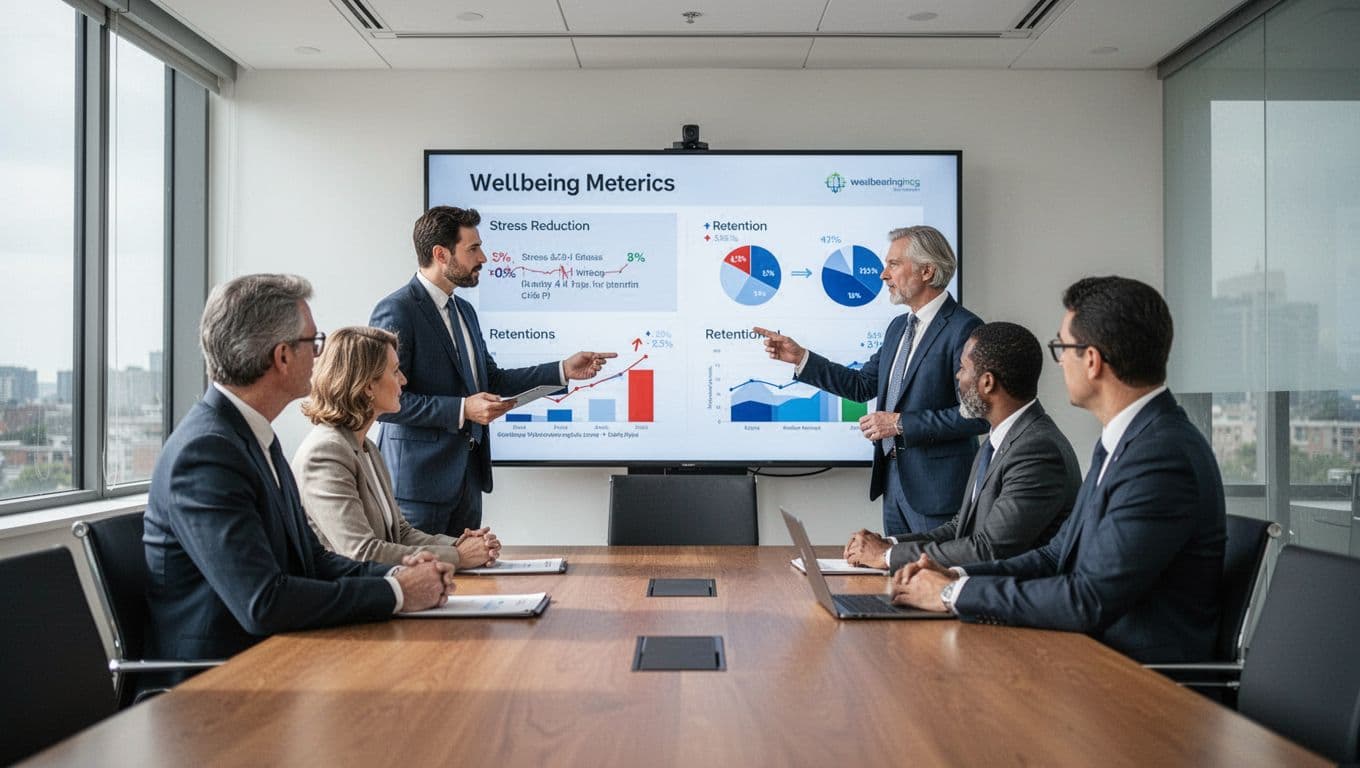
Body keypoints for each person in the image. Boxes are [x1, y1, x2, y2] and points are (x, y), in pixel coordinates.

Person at [891, 276, 1227, 664]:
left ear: (1092, 360)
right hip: (1090, 654)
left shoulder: (1161, 457)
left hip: (1135, 680)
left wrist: (951, 596)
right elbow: (1055, 556)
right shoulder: (1124, 440)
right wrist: (960, 578)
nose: (1060, 361)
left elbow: (1088, 599)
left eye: (1061, 348)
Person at [144, 274, 454, 670]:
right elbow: (264, 601)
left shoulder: (256, 438)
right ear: (283, 356)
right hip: (221, 681)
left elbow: (312, 560)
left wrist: (398, 572)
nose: (319, 354)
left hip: (276, 656)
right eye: (314, 342)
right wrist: (395, 592)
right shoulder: (206, 453)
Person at [370, 206, 616, 536]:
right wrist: (462, 409)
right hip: (418, 490)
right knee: (423, 584)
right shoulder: (397, 310)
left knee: (468, 584)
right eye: (472, 248)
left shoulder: (464, 311)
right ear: (441, 254)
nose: (483, 257)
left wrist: (562, 370)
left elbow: (492, 380)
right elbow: (383, 402)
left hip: (467, 484)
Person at [755, 225, 988, 536]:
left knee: (934, 579)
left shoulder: (964, 328)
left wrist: (901, 424)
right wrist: (801, 358)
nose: (882, 275)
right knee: (897, 579)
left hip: (939, 495)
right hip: (894, 489)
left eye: (893, 264)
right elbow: (861, 385)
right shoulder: (898, 328)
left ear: (927, 271)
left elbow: (977, 416)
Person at [844, 321, 1080, 571]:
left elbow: (989, 549)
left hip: (1009, 602)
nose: (957, 377)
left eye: (962, 368)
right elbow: (959, 528)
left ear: (987, 383)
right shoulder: (998, 441)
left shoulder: (1037, 451)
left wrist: (887, 557)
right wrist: (888, 545)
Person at [292, 326, 502, 568]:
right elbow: (362, 552)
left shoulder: (366, 447)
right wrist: (459, 557)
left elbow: (400, 533)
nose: (403, 379)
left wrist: (459, 545)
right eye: (395, 371)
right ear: (367, 386)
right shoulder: (325, 454)